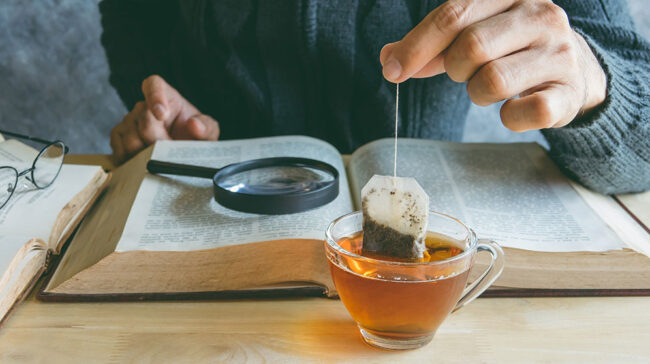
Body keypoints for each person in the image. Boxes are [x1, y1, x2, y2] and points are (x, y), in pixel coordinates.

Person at [101, 0, 649, 194]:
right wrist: (160, 106)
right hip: (216, 207)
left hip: (433, 265)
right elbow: (133, 21)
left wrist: (595, 88)